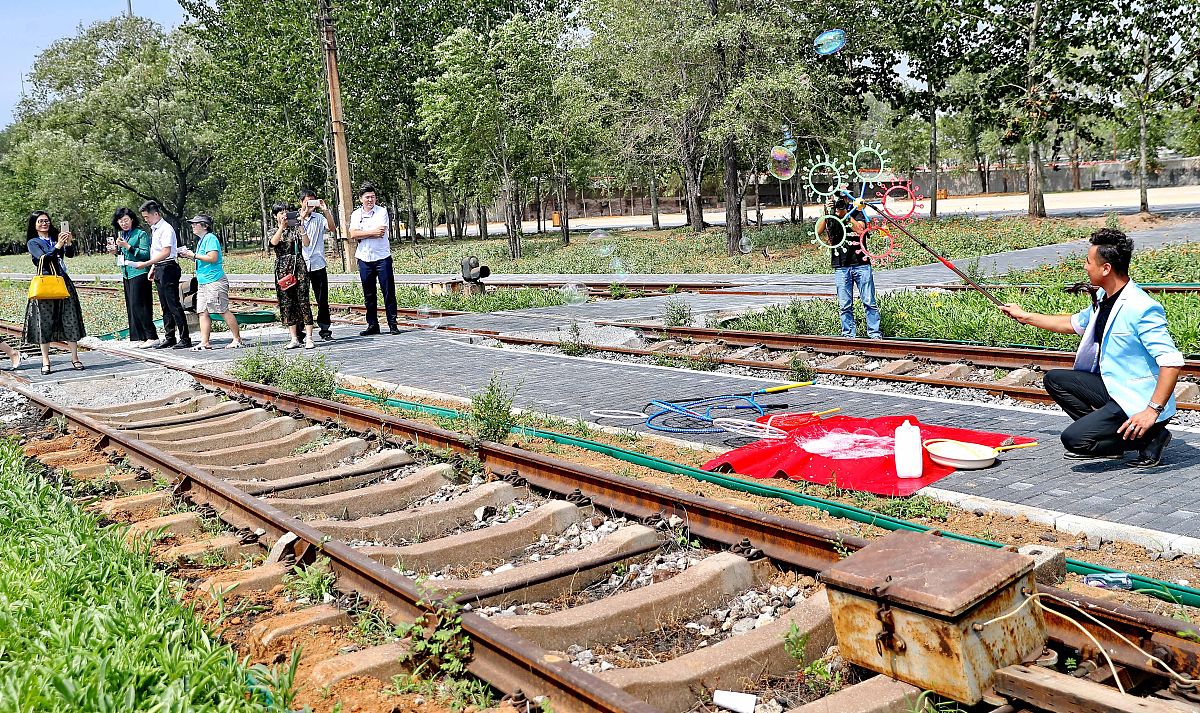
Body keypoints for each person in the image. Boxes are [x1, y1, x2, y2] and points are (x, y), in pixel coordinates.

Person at [1001, 228, 1182, 467]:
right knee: (1055, 379)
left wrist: (1151, 411)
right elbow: (1070, 323)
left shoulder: (1141, 307)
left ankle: (1151, 435)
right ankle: (1114, 437)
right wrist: (1025, 316)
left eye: (1088, 262)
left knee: (1074, 440)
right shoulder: (1104, 298)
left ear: (1106, 269)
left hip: (1138, 399)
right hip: (1115, 386)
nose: (1085, 267)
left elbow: (1171, 362)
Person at [24, 211, 85, 374]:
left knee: (69, 318)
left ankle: (75, 357)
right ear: (34, 225)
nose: (44, 223)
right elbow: (43, 258)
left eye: (47, 221)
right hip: (46, 284)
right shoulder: (33, 242)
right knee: (45, 322)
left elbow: (70, 255)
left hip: (63, 281)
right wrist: (58, 245)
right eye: (40, 221)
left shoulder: (55, 237)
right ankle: (46, 360)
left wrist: (69, 243)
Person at [817, 196, 881, 339]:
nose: (839, 202)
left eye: (842, 199)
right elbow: (819, 230)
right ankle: (849, 336)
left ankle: (875, 334)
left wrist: (845, 214)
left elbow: (860, 230)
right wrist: (826, 211)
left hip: (861, 263)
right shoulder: (830, 213)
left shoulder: (856, 210)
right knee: (845, 305)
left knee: (869, 302)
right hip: (841, 265)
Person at [179, 215, 244, 350]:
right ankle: (204, 342)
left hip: (214, 280)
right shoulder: (202, 241)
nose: (192, 226)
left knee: (222, 310)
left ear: (205, 226)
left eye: (195, 224)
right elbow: (203, 259)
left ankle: (237, 339)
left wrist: (193, 255)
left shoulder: (210, 238)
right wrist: (190, 256)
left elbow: (213, 258)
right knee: (202, 311)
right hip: (203, 281)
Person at [139, 200, 192, 349]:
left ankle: (185, 337)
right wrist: (153, 267)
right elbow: (157, 251)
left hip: (168, 267)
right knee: (165, 306)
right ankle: (170, 336)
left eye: (147, 217)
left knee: (173, 304)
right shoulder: (155, 229)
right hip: (160, 267)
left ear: (156, 214)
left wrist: (147, 263)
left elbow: (166, 252)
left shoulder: (166, 228)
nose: (146, 220)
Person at [349, 183, 399, 335]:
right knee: (369, 293)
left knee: (388, 291)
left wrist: (361, 233)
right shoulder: (356, 214)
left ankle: (392, 324)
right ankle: (372, 325)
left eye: (372, 197)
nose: (370, 200)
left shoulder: (382, 212)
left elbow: (380, 233)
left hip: (382, 257)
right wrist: (367, 232)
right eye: (367, 197)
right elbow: (353, 234)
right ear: (361, 199)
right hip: (364, 257)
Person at [109, 207, 158, 347]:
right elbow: (123, 256)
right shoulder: (122, 235)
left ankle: (152, 336)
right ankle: (139, 338)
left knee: (140, 305)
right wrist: (115, 251)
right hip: (127, 273)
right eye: (120, 221)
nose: (123, 223)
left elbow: (146, 255)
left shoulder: (140, 234)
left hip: (140, 272)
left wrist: (128, 246)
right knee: (132, 306)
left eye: (126, 220)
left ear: (132, 220)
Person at [269, 203, 316, 349]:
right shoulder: (273, 230)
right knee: (287, 303)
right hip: (283, 268)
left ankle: (309, 337)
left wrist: (301, 224)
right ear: (275, 216)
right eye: (280, 212)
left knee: (303, 300)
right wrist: (282, 227)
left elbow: (307, 243)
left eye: (286, 212)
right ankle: (294, 338)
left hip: (298, 265)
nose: (284, 215)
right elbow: (273, 243)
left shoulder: (296, 228)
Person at [299, 188, 335, 341]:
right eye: (307, 201)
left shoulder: (319, 218)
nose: (310, 204)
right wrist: (302, 217)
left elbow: (332, 228)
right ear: (301, 202)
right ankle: (301, 331)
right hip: (301, 265)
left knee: (322, 299)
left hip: (318, 263)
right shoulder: (295, 218)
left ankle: (325, 330)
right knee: (301, 299)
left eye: (313, 200)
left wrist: (326, 211)